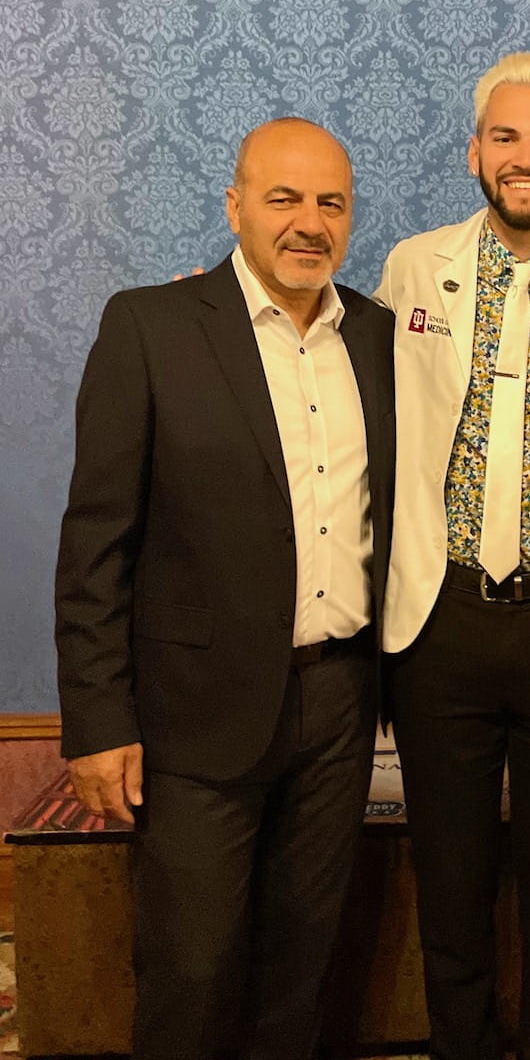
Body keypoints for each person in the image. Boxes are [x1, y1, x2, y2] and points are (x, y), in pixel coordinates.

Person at [55, 118, 395, 1060]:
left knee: (304, 968)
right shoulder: (150, 326)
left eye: (330, 202)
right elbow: (95, 544)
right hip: (192, 717)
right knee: (192, 970)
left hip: (337, 706)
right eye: (283, 197)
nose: (309, 222)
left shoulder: (375, 336)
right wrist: (96, 720)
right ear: (234, 205)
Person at [373, 53, 530, 1060]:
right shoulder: (410, 267)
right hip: (442, 619)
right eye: (507, 137)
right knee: (454, 885)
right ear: (475, 151)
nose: (527, 157)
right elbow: (341, 385)